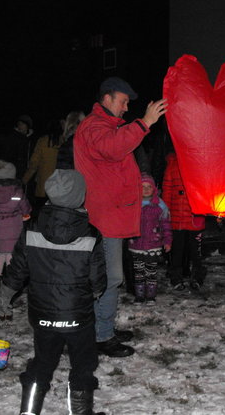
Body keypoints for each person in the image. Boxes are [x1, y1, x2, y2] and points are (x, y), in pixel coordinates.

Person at [0, 169, 106, 415]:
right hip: (78, 316)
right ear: (80, 196)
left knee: (42, 363)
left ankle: (29, 411)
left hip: (42, 314)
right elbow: (97, 280)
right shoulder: (90, 233)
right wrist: (96, 291)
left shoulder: (31, 228)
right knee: (83, 365)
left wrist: (4, 295)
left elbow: (17, 269)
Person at [74, 76, 167, 357]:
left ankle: (104, 329)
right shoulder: (94, 126)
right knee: (109, 278)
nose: (127, 108)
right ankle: (100, 336)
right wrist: (144, 122)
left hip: (111, 216)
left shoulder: (106, 125)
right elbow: (113, 148)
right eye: (124, 101)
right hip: (104, 218)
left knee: (108, 279)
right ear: (107, 98)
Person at [0, 159, 32, 291]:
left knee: (0, 256)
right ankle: (10, 284)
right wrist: (26, 216)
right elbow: (26, 208)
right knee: (11, 256)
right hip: (14, 229)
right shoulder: (18, 191)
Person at [162, 151, 207, 292]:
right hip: (177, 217)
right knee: (177, 251)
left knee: (196, 252)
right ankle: (176, 277)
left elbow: (207, 188)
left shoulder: (200, 162)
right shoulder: (172, 164)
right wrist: (165, 211)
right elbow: (167, 189)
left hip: (195, 218)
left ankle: (197, 277)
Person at [127, 174, 172, 304]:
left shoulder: (160, 206)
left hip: (153, 244)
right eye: (142, 187)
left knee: (151, 271)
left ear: (154, 189)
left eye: (149, 187)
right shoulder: (134, 205)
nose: (146, 190)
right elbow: (127, 222)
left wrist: (167, 241)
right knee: (139, 272)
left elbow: (166, 225)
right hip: (136, 245)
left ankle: (151, 295)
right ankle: (139, 295)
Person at [22, 119, 63, 219]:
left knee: (43, 214)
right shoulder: (64, 141)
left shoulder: (43, 141)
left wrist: (24, 180)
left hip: (43, 185)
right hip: (61, 185)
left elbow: (34, 163)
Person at [0, 114, 35, 179]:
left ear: (28, 126)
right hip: (15, 170)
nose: (20, 126)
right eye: (19, 124)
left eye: (23, 124)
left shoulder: (32, 139)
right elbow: (6, 154)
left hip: (29, 170)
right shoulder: (12, 138)